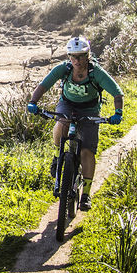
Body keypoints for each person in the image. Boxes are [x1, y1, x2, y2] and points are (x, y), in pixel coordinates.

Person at [27, 35, 123, 210]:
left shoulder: (97, 73)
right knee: (61, 123)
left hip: (89, 110)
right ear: (69, 56)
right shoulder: (64, 69)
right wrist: (33, 102)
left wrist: (118, 112)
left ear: (88, 55)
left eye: (81, 55)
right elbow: (44, 85)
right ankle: (57, 156)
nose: (77, 60)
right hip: (67, 105)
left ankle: (85, 195)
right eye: (73, 56)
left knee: (87, 151)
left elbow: (117, 92)